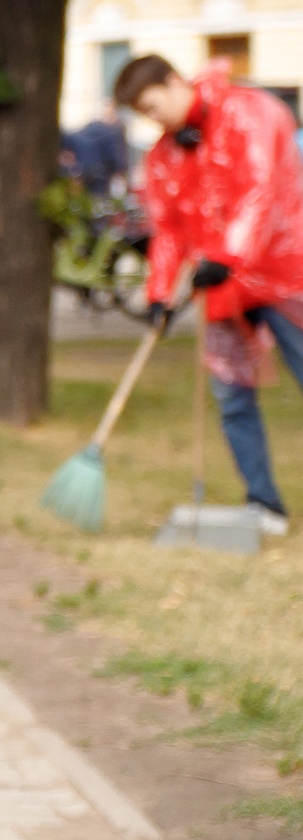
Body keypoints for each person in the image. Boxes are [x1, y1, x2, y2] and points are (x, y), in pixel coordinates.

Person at [117, 53, 303, 534]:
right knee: (233, 395)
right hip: (223, 289)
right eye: (144, 113)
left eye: (154, 105)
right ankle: (264, 505)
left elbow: (261, 188)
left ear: (175, 81)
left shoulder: (250, 111)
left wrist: (230, 253)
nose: (153, 119)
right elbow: (170, 230)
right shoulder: (164, 155)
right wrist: (160, 294)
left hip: (286, 273)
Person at [61, 102, 130, 193]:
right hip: (99, 174)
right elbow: (119, 158)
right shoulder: (115, 131)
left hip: (89, 171)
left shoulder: (93, 127)